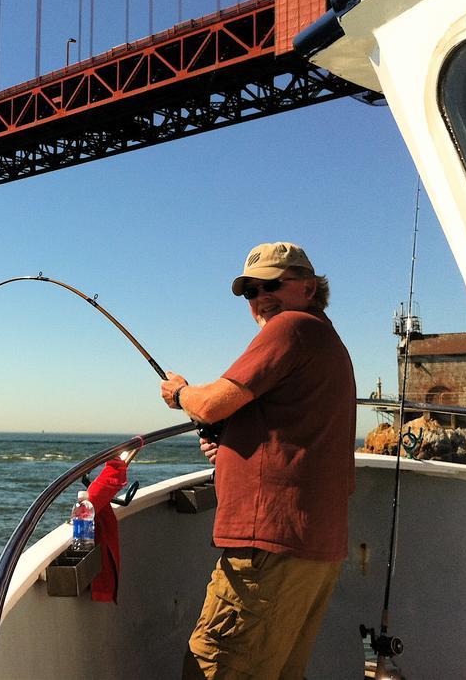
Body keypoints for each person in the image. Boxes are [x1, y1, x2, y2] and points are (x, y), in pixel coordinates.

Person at [160, 242, 356, 680]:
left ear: (308, 287)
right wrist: (231, 443)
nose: (259, 297)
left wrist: (180, 393)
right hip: (311, 545)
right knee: (278, 670)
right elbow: (290, 428)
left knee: (215, 665)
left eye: (271, 284)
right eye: (250, 291)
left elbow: (211, 403)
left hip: (271, 544)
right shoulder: (325, 337)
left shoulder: (291, 327)